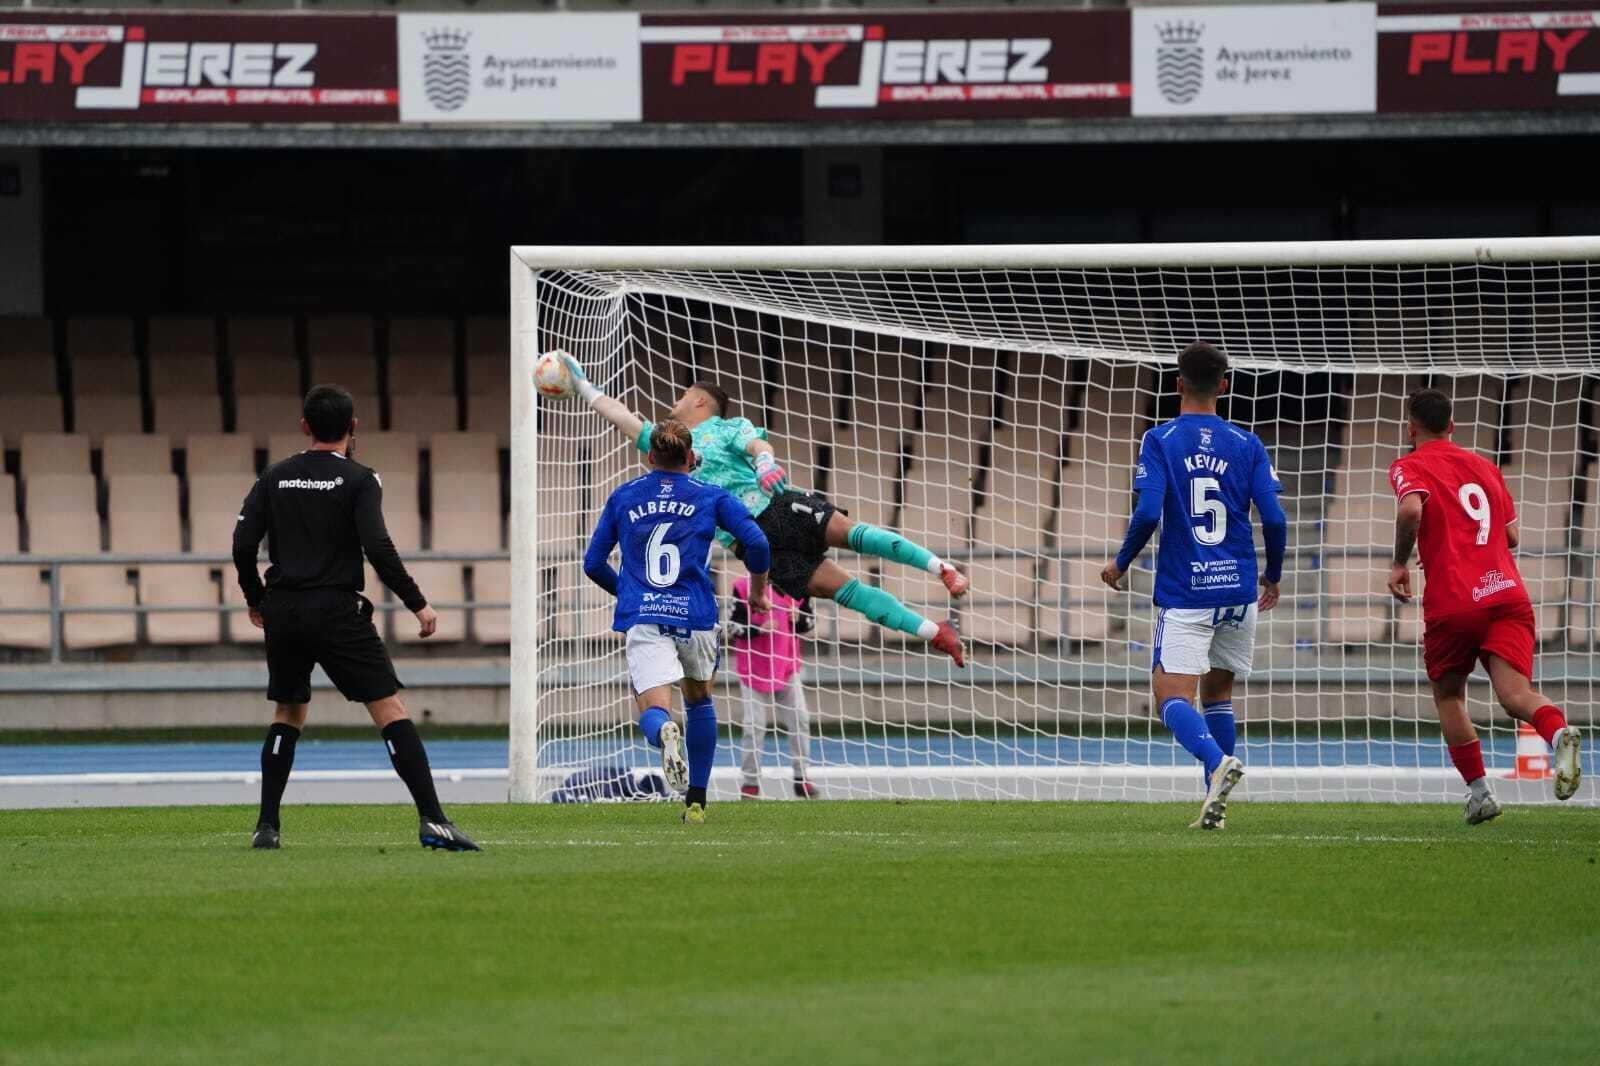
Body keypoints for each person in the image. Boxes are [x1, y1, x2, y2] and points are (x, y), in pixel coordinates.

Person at [556, 355, 967, 668]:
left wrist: (766, 464)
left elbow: (758, 446)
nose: (675, 402)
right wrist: (586, 387)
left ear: (699, 400)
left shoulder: (725, 428)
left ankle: (939, 567)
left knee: (852, 533)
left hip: (776, 507)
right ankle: (935, 632)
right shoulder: (668, 443)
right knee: (847, 593)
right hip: (749, 542)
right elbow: (622, 417)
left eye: (682, 396)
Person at [233, 385, 479, 851]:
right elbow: (377, 547)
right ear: (354, 427)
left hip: (283, 609)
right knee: (390, 710)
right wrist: (417, 602)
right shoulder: (361, 479)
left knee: (288, 712)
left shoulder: (274, 476)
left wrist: (255, 598)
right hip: (335, 610)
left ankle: (267, 826)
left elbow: (243, 546)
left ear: (304, 426)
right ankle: (433, 819)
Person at [1100, 342, 1287, 830]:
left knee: (1171, 697)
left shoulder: (1160, 440)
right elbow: (1274, 517)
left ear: (1178, 383)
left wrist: (1121, 563)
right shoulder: (1248, 444)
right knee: (1218, 693)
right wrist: (1275, 575)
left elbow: (1146, 512)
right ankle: (1216, 806)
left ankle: (1215, 764)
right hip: (1239, 588)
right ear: (1224, 385)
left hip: (1187, 591)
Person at [1387, 386, 1583, 823]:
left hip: (1456, 600)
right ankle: (1557, 735)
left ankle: (1480, 793)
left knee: (1450, 695)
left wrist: (1400, 563)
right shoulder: (1484, 467)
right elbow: (1511, 537)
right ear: (1452, 426)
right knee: (1516, 695)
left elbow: (1411, 512)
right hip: (1507, 594)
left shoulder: (1408, 465)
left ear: (1410, 428)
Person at [583, 418, 773, 824]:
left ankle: (666, 733)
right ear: (691, 458)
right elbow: (757, 543)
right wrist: (757, 592)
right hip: (697, 615)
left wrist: (630, 594)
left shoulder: (624, 496)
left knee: (655, 709)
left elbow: (593, 563)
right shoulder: (711, 496)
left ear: (650, 457)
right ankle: (697, 803)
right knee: (700, 700)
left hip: (647, 615)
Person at [729, 574, 818, 800]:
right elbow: (732, 626)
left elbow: (809, 623)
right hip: (753, 668)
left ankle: (801, 778)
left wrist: (798, 620)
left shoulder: (798, 586)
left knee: (800, 719)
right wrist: (758, 629)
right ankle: (750, 783)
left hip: (787, 665)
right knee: (754, 726)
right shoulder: (742, 587)